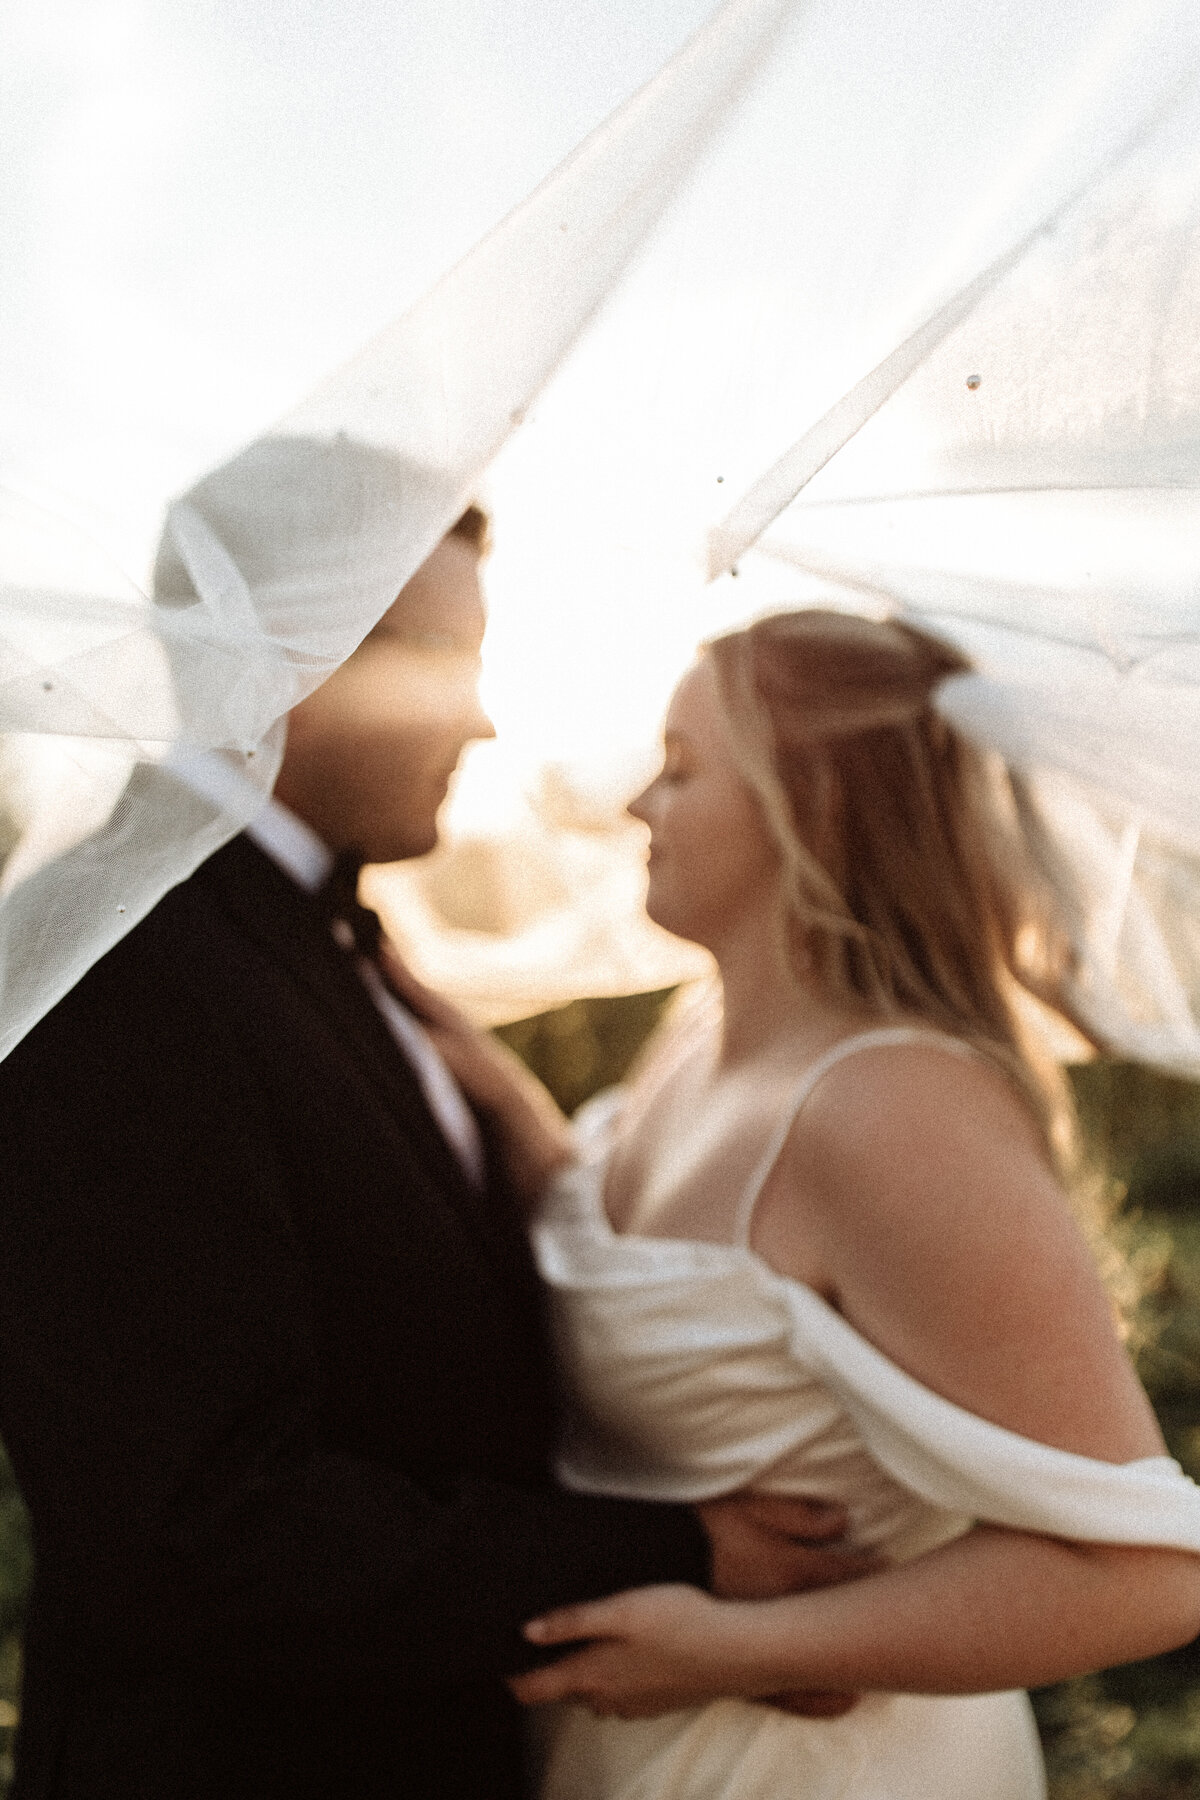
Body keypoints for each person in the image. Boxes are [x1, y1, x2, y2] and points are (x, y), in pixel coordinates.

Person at [0, 532, 867, 1800]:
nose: (480, 721)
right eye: (447, 658)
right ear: (291, 652)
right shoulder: (125, 974)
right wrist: (677, 1557)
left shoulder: (312, 939)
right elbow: (197, 1527)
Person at [406, 609, 1200, 1800]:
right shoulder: (704, 1026)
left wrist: (730, 1647)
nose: (635, 809)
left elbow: (1145, 1574)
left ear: (811, 807)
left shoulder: (890, 1107)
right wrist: (512, 1112)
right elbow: (650, 1257)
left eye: (680, 771)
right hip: (637, 1745)